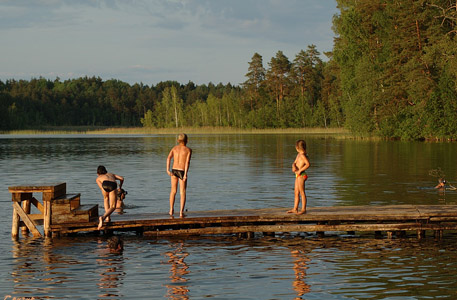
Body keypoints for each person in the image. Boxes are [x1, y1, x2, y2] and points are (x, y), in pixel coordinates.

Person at [166, 133, 192, 217]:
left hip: (174, 170)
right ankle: (181, 212)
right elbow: (187, 162)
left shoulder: (174, 148)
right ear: (187, 140)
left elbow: (168, 158)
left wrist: (167, 169)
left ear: (178, 140)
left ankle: (171, 209)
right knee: (182, 192)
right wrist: (185, 174)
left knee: (173, 191)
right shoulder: (188, 150)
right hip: (181, 171)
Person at [96, 165, 124, 230]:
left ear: (98, 173)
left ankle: (107, 218)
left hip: (104, 185)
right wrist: (120, 187)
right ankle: (103, 217)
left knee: (105, 199)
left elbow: (101, 187)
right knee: (113, 206)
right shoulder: (111, 174)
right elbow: (122, 178)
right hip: (113, 184)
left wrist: (106, 193)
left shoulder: (98, 178)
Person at [287, 140, 310, 215]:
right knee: (296, 192)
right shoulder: (298, 155)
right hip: (297, 175)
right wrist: (293, 166)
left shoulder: (303, 156)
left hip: (302, 175)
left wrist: (300, 170)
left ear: (297, 147)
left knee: (302, 192)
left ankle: (303, 209)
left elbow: (308, 164)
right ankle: (295, 208)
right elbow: (294, 163)